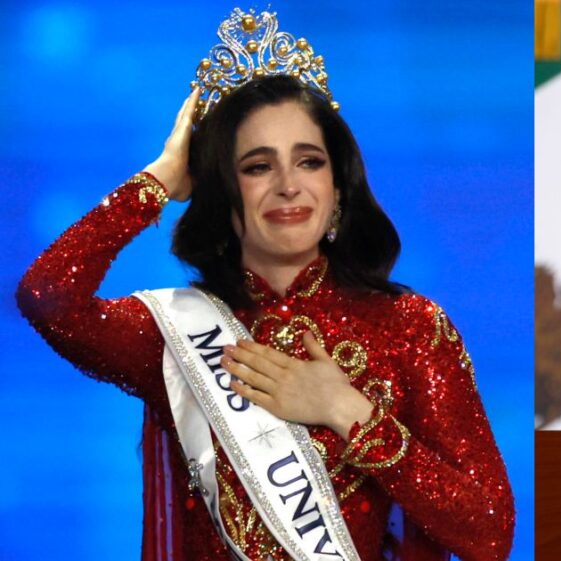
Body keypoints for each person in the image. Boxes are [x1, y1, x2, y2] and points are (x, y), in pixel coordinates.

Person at [16, 9, 513, 561]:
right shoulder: (173, 335)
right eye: (257, 167)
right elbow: (48, 296)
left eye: (309, 161)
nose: (288, 186)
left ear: (338, 186)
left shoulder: (411, 327)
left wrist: (347, 411)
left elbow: (489, 532)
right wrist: (158, 179)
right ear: (224, 195)